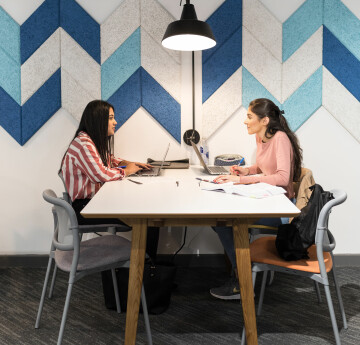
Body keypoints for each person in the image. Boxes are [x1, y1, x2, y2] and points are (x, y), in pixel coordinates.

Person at [210, 98, 303, 300]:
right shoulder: (261, 138)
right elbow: (263, 168)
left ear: (265, 120)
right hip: (267, 200)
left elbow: (282, 177)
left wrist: (242, 179)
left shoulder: (280, 139)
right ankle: (242, 269)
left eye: (249, 116)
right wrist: (247, 170)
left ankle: (241, 280)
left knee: (224, 223)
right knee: (219, 222)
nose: (245, 121)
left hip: (279, 210)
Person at [60, 100, 158, 256]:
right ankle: (146, 268)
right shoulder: (84, 143)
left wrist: (128, 164)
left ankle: (145, 266)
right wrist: (127, 171)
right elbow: (101, 174)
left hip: (93, 203)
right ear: (99, 120)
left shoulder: (90, 141)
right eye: (111, 118)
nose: (115, 122)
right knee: (147, 217)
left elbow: (108, 160)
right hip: (85, 209)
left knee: (147, 212)